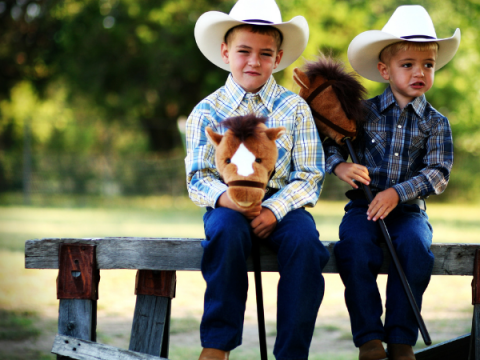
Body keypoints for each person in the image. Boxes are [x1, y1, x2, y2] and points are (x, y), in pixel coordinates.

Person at [185, 0, 330, 359]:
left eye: (265, 54)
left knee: (306, 244)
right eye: (244, 51)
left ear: (278, 58)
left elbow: (310, 174)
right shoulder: (207, 110)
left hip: (283, 206)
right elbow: (197, 177)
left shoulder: (294, 108)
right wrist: (228, 199)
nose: (254, 61)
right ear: (225, 52)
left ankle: (292, 352)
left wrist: (274, 209)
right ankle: (217, 344)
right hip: (227, 204)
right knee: (225, 232)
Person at [323, 5, 460, 360]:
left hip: (409, 211)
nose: (420, 72)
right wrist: (340, 168)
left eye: (427, 65)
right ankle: (369, 338)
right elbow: (328, 146)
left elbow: (438, 172)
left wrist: (397, 193)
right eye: (408, 64)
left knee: (416, 250)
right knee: (353, 248)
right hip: (363, 207)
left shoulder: (436, 122)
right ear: (385, 70)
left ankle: (401, 338)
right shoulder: (361, 113)